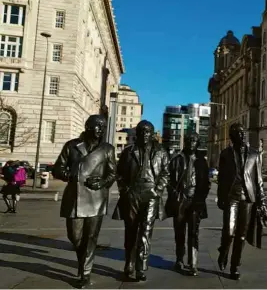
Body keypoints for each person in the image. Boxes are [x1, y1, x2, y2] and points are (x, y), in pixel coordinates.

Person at [52, 114, 117, 289]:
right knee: (74, 236)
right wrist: (68, 174)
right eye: (98, 126)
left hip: (96, 199)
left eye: (103, 127)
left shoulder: (108, 149)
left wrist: (103, 182)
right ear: (88, 127)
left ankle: (85, 273)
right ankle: (84, 262)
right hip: (74, 197)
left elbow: (112, 174)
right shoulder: (72, 146)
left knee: (90, 237)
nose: (101, 130)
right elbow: (58, 168)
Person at [112, 120, 170, 282]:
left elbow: (166, 174)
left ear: (152, 134)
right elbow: (119, 174)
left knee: (145, 231)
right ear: (137, 133)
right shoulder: (128, 151)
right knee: (130, 231)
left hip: (151, 194)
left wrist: (157, 191)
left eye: (148, 132)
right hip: (133, 194)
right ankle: (129, 264)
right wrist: (125, 190)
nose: (145, 134)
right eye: (142, 131)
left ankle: (141, 267)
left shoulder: (161, 152)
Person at [216, 123, 267, 280]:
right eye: (238, 133)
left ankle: (235, 266)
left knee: (241, 235)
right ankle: (223, 251)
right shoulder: (225, 154)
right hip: (231, 197)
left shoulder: (255, 155)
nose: (241, 135)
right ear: (232, 136)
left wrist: (261, 199)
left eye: (243, 133)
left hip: (248, 198)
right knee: (229, 232)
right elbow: (221, 179)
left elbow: (258, 180)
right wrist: (220, 198)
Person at [165, 133, 210, 276]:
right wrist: (174, 193)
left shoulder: (202, 161)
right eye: (189, 140)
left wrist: (201, 198)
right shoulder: (177, 159)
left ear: (198, 143)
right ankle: (179, 259)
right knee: (179, 232)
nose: (192, 142)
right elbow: (168, 178)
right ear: (185, 142)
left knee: (193, 232)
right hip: (180, 199)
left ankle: (193, 262)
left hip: (195, 200)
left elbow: (206, 183)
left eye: (194, 140)